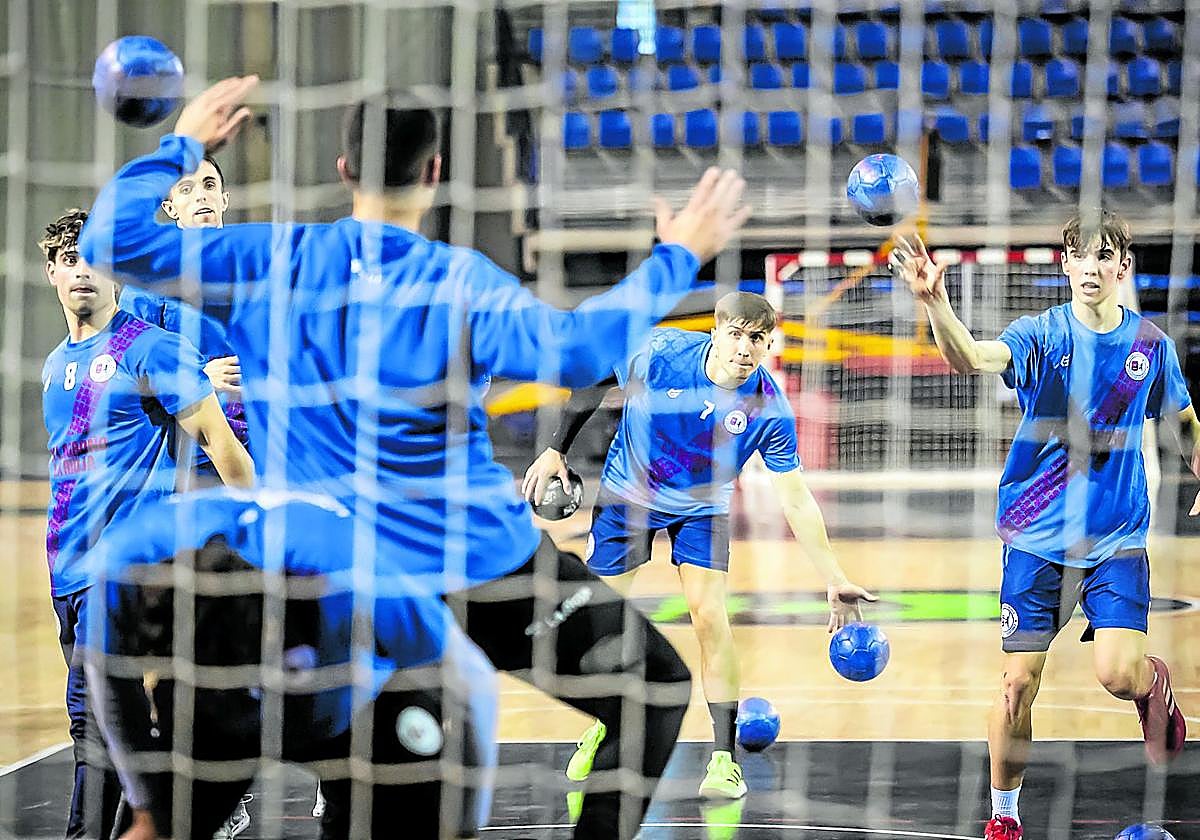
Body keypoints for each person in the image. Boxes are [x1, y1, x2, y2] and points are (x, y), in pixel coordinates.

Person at [79, 76, 751, 838]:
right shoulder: (458, 281)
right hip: (476, 566)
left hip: (331, 583)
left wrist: (183, 144)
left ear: (344, 169)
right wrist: (677, 256)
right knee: (653, 686)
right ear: (435, 172)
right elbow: (577, 350)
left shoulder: (272, 259)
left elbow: (110, 242)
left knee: (355, 775)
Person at [892, 214, 1198, 840]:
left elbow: (1186, 423)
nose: (1091, 267)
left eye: (1104, 256)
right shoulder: (1040, 333)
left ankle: (1151, 684)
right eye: (1080, 255)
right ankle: (1005, 814)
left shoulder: (1150, 347)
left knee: (1117, 675)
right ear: (1065, 265)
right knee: (1016, 684)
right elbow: (972, 358)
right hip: (1036, 537)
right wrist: (936, 304)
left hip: (1115, 539)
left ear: (1123, 267)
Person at [522, 291, 878, 799]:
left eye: (757, 339)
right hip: (629, 495)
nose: (745, 348)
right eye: (736, 335)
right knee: (603, 620)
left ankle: (723, 761)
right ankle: (604, 726)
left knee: (711, 616)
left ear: (768, 345)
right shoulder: (660, 352)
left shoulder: (768, 409)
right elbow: (597, 374)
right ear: (715, 333)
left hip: (702, 507)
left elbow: (796, 499)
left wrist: (834, 577)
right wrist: (555, 449)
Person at [81, 489, 497, 840]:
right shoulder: (124, 570)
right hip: (209, 718)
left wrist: (465, 824)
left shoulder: (354, 574)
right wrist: (145, 803)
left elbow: (471, 677)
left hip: (353, 705)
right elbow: (109, 681)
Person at [39, 208, 254, 839]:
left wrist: (262, 531)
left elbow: (221, 444)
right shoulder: (53, 365)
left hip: (124, 570)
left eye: (95, 260)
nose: (83, 271)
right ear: (51, 273)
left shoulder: (150, 348)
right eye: (70, 260)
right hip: (66, 570)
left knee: (93, 719)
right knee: (111, 725)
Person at [117, 155, 249, 487]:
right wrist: (199, 377)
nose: (201, 195)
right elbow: (125, 375)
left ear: (224, 199)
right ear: (170, 207)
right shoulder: (147, 283)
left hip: (265, 444)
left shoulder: (258, 269)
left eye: (209, 185)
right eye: (187, 189)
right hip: (190, 461)